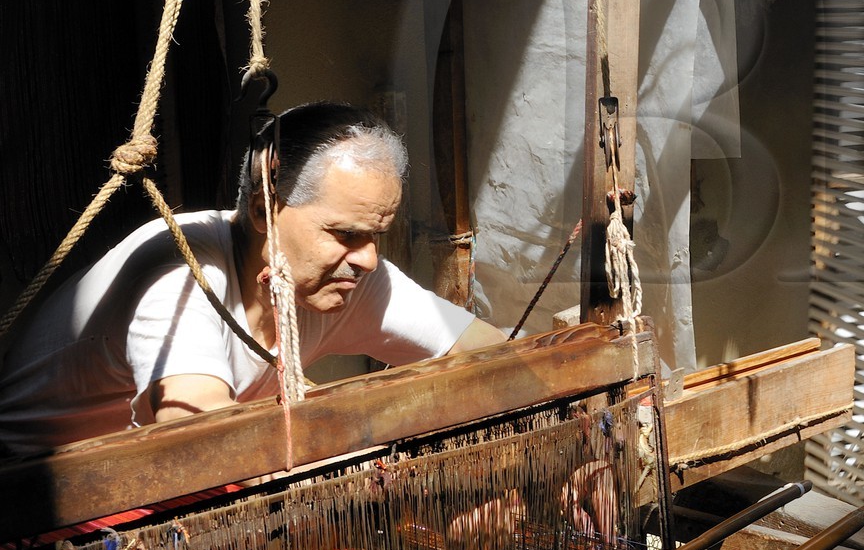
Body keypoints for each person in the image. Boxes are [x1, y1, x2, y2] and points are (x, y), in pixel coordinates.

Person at [0, 101, 507, 459]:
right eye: (346, 234)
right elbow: (195, 432)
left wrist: (581, 453)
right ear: (265, 208)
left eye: (376, 234)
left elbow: (494, 353)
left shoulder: (345, 275)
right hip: (34, 504)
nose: (368, 260)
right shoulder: (181, 268)